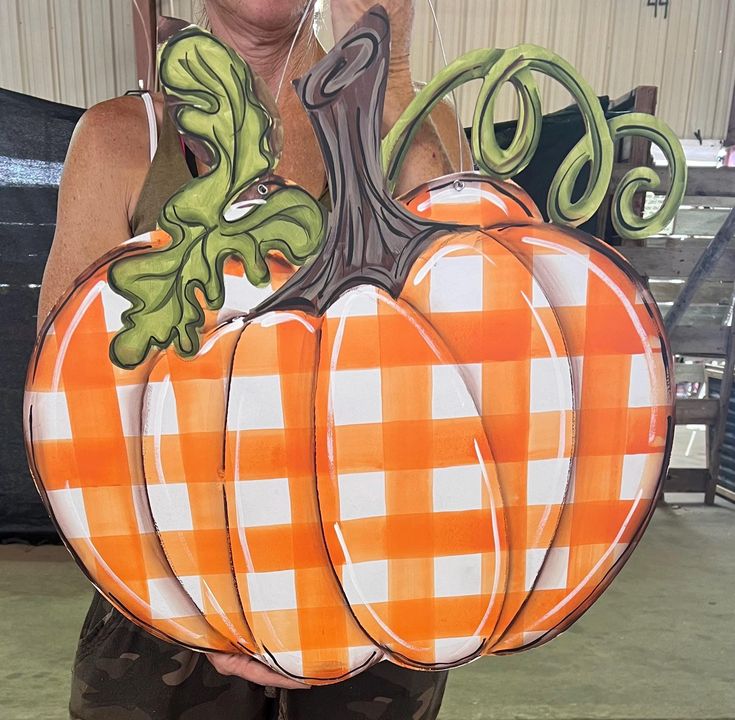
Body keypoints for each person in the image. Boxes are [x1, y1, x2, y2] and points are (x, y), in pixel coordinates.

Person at [39, 1, 471, 718]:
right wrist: (201, 602)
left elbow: (471, 345)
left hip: (375, 592)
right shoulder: (121, 139)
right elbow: (67, 399)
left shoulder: (416, 122)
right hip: (166, 595)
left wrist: (390, 76)